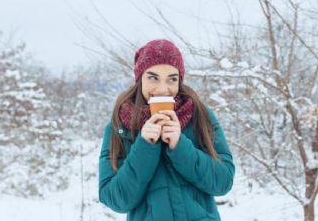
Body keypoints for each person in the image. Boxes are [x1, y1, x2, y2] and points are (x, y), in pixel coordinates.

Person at [98, 39, 235, 221]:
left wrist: (180, 147)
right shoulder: (120, 126)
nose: (163, 89)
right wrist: (145, 147)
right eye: (153, 77)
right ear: (139, 78)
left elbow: (223, 181)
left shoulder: (200, 115)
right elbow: (115, 199)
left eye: (172, 79)